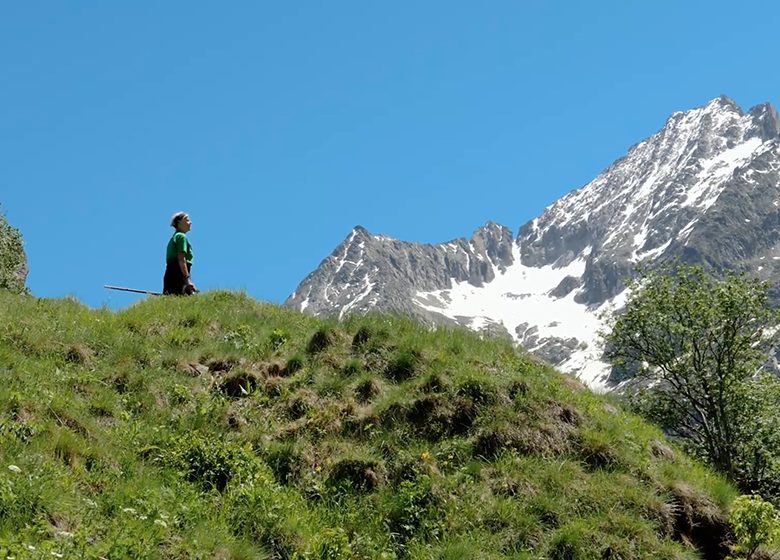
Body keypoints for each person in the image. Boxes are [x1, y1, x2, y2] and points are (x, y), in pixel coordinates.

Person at [163, 212, 197, 295]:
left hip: (171, 272)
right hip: (178, 273)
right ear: (179, 222)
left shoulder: (175, 237)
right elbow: (182, 259)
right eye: (187, 220)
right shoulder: (181, 236)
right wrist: (187, 280)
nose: (190, 222)